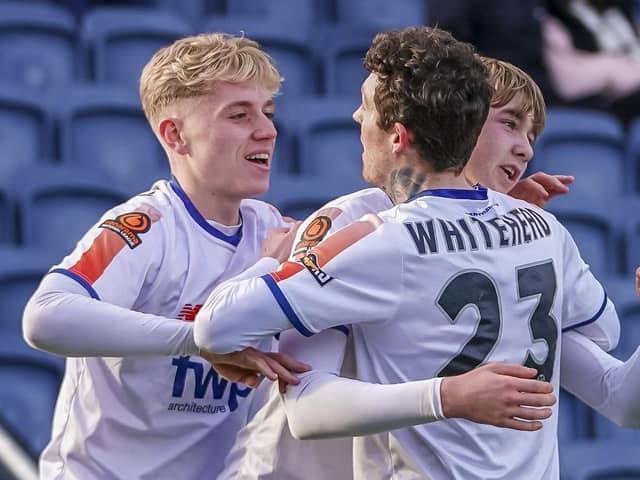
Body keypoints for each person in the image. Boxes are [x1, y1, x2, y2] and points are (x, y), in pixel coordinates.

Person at [194, 27, 621, 479]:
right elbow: (302, 397)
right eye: (510, 122)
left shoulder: (519, 231)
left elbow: (604, 362)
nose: (525, 147)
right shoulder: (354, 223)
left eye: (530, 131)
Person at [21, 32, 309, 479]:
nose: (268, 130)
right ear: (175, 135)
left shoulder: (275, 234)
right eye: (239, 114)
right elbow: (44, 316)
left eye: (268, 113)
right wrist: (202, 339)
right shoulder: (146, 225)